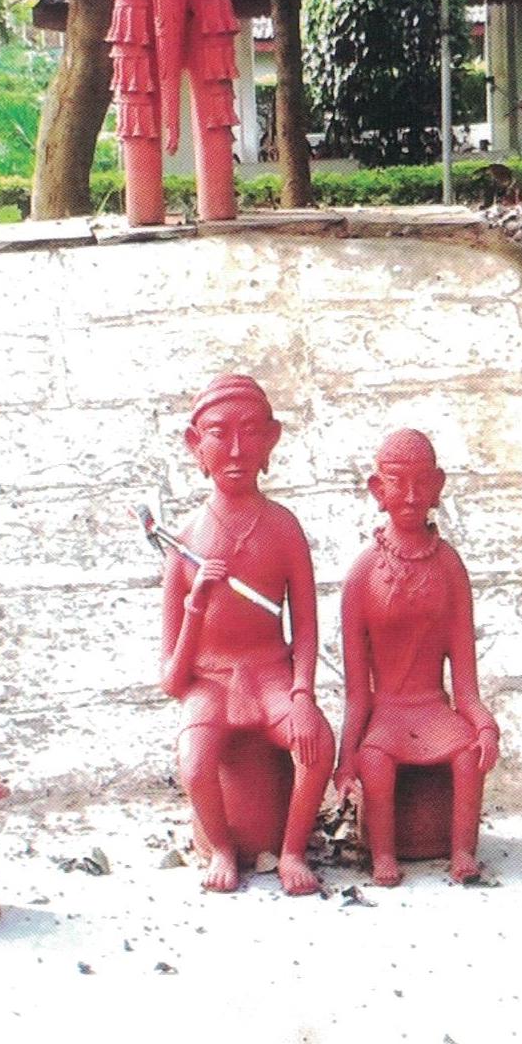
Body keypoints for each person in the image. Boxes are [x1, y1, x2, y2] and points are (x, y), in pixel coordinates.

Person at [161, 376, 334, 895]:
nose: (236, 450)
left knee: (317, 743)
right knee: (195, 763)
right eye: (219, 434)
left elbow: (306, 626)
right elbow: (171, 679)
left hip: (271, 674)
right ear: (196, 444)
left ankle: (292, 849)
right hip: (211, 681)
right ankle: (221, 847)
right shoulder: (186, 543)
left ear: (271, 439)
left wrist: (302, 694)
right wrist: (196, 607)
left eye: (251, 433)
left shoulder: (283, 527)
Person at [335, 430, 500, 886]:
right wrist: (345, 758)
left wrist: (485, 725)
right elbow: (357, 694)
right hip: (388, 711)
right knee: (375, 760)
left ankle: (462, 850)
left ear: (437, 486)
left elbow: (466, 687)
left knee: (468, 753)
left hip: (433, 708)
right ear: (377, 489)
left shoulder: (448, 567)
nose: (410, 496)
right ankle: (384, 855)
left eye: (421, 483)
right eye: (396, 482)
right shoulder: (362, 574)